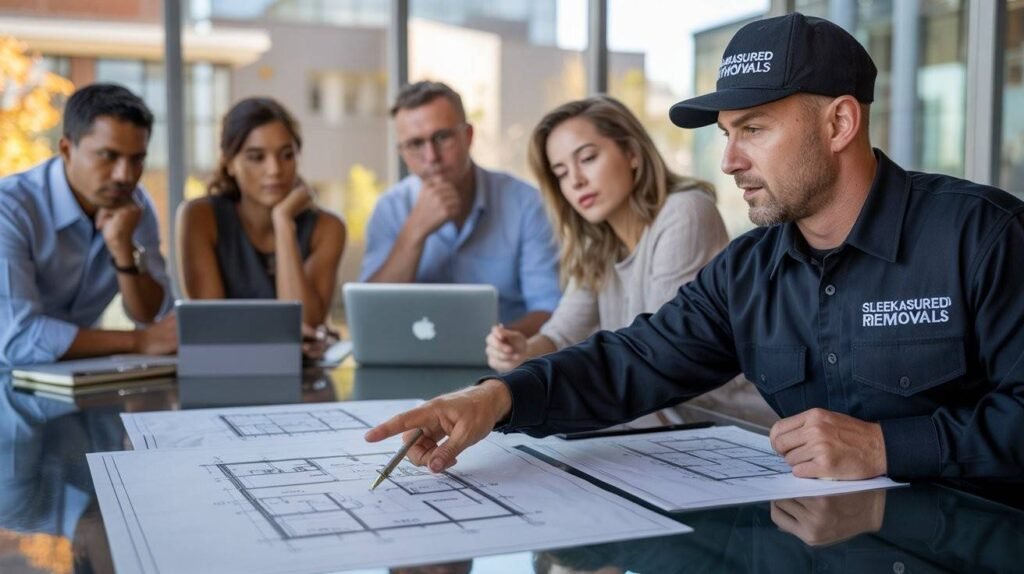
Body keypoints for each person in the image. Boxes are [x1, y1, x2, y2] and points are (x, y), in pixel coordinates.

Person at [366, 13, 1024, 481]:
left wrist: (886, 447)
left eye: (754, 129)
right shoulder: (748, 273)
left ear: (840, 123)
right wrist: (494, 399)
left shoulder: (983, 235)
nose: (730, 160)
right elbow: (630, 361)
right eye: (726, 134)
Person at [485, 95, 728, 377]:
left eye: (587, 158)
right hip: (648, 403)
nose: (576, 181)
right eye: (561, 173)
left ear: (632, 153)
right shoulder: (598, 244)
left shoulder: (684, 211)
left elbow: (659, 349)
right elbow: (561, 336)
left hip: (712, 405)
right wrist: (523, 352)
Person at [360, 81, 561, 335]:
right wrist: (414, 233)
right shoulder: (389, 209)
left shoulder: (526, 204)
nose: (431, 157)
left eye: (442, 137)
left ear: (468, 136)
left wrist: (495, 344)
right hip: (411, 354)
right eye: (415, 144)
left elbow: (549, 310)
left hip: (505, 355)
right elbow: (371, 315)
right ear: (402, 152)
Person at [0, 83, 175, 366]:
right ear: (67, 150)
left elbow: (152, 316)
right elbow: (17, 338)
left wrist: (124, 251)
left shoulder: (135, 206)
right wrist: (138, 342)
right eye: (108, 156)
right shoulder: (10, 208)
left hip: (76, 374)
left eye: (137, 159)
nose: (125, 175)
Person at [176, 97, 346, 354]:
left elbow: (305, 325)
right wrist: (283, 334)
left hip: (302, 374)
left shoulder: (327, 227)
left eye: (286, 155)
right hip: (224, 368)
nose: (275, 169)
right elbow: (212, 329)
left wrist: (283, 222)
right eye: (257, 157)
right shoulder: (200, 217)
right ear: (229, 163)